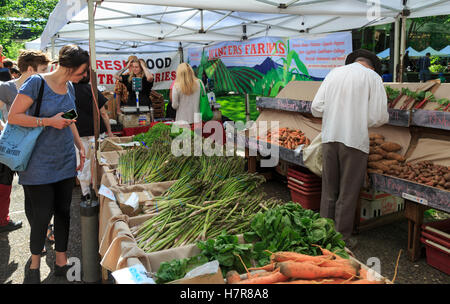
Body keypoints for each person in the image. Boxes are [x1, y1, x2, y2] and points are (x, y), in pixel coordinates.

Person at [8, 44, 88, 284]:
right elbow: (14, 116)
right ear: (70, 67)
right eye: (82, 71)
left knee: (64, 213)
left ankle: (61, 261)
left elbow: (70, 117)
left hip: (64, 160)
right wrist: (47, 122)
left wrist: (79, 145)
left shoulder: (71, 86)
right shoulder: (37, 83)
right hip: (37, 164)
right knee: (42, 216)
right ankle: (34, 264)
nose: (84, 76)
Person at [311, 49, 389, 250]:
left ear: (355, 61)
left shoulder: (334, 73)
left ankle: (322, 236)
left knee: (329, 190)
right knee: (347, 193)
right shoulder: (373, 78)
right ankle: (341, 240)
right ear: (372, 66)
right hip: (354, 141)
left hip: (329, 138)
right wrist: (358, 117)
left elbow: (316, 107)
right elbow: (379, 116)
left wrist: (336, 113)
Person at [0, 50, 50, 235]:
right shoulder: (7, 88)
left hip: (39, 147)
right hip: (16, 149)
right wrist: (7, 130)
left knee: (41, 191)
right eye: (43, 69)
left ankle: (45, 230)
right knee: (17, 189)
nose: (47, 73)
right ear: (30, 69)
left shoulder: (44, 87)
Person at [73, 72, 114, 201]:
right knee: (98, 162)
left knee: (82, 163)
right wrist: (110, 131)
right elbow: (103, 113)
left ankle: (86, 193)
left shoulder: (68, 89)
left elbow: (67, 113)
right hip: (96, 132)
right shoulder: (92, 89)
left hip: (78, 134)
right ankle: (99, 191)